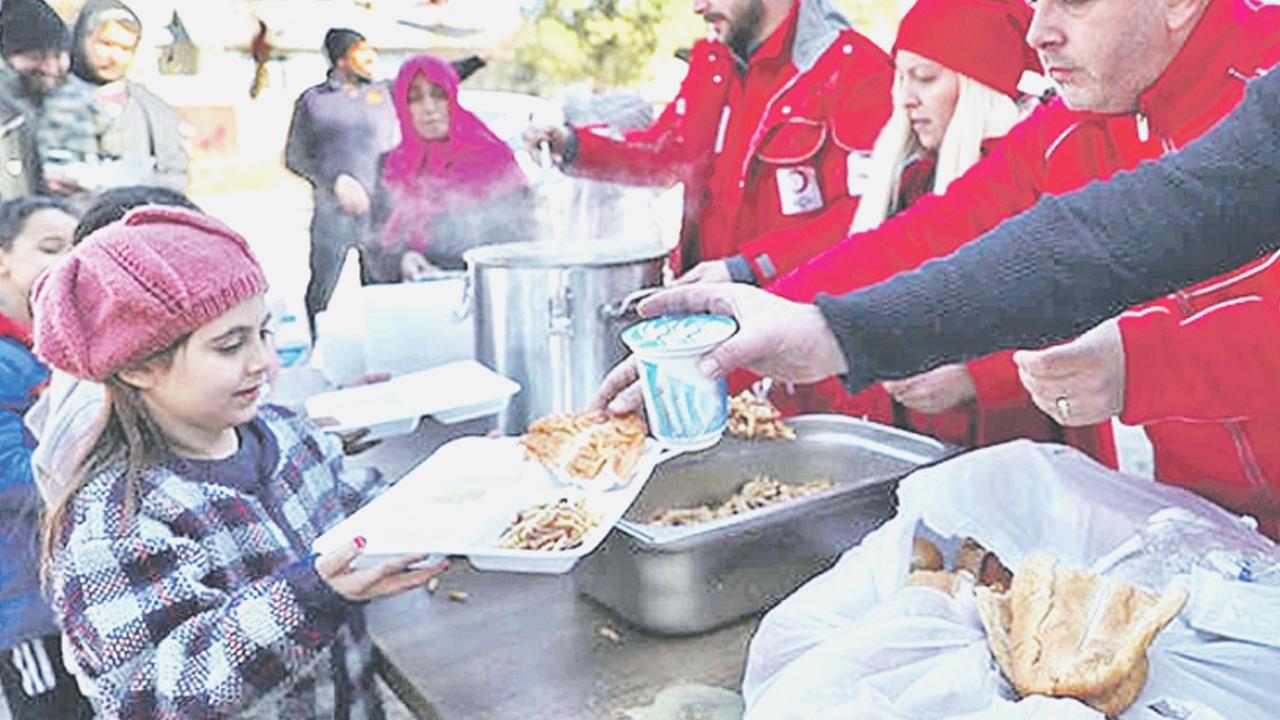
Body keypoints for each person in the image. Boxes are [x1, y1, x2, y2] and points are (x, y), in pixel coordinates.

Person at [31, 206, 448, 717]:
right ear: (139, 366)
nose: (264, 363)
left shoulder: (287, 434)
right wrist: (308, 596)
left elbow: (351, 507)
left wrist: (458, 492)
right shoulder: (116, 523)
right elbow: (153, 696)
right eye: (231, 346)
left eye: (264, 333)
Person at [771, 0, 1051, 448]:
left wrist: (976, 377)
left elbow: (1091, 317)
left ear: (980, 85)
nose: (905, 98)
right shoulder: (913, 182)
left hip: (1017, 447)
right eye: (900, 77)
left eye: (924, 77)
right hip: (920, 444)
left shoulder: (1041, 182)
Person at [524, 0, 893, 282]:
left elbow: (868, 215)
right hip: (708, 325)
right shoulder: (715, 65)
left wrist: (748, 268)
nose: (697, 7)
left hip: (798, 339)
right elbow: (668, 154)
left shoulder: (856, 72)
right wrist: (572, 146)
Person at [0, 196, 91, 720]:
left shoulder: (47, 346)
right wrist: (97, 470)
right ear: (3, 259)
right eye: (51, 247)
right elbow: (7, 475)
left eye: (78, 248)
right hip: (25, 605)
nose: (68, 262)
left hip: (66, 590)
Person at [369, 54, 532, 280]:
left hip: (488, 291)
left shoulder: (493, 158)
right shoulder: (390, 167)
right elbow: (373, 246)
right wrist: (401, 261)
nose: (429, 108)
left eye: (439, 95)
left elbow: (524, 240)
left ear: (452, 97)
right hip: (414, 295)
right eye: (415, 98)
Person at [284, 27, 399, 329]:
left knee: (381, 296)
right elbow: (294, 158)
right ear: (342, 60)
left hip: (380, 214)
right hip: (332, 215)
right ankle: (315, 347)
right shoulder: (313, 101)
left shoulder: (385, 92)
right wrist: (334, 182)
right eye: (362, 51)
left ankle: (381, 350)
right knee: (320, 293)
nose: (372, 57)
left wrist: (480, 58)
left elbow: (437, 76)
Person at [54, 0, 189, 193]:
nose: (114, 56)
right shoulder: (44, 101)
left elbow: (173, 179)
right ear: (80, 38)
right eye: (105, 44)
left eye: (125, 48)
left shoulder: (155, 112)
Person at [0, 0, 93, 198]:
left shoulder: (81, 101)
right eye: (36, 57)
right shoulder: (7, 116)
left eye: (58, 56)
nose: (50, 68)